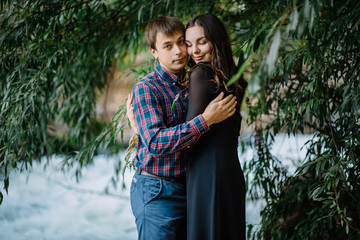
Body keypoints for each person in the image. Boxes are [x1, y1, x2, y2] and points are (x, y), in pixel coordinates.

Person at [127, 16, 237, 240]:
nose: (178, 51)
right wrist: (205, 121)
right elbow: (156, 143)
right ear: (154, 52)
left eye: (181, 42)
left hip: (191, 187)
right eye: (167, 46)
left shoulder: (196, 80)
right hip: (158, 190)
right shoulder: (146, 89)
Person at [181, 14, 248, 240]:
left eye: (202, 41)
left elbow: (189, 135)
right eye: (189, 44)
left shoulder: (201, 74)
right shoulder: (235, 78)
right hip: (230, 170)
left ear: (216, 40)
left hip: (206, 172)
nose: (195, 51)